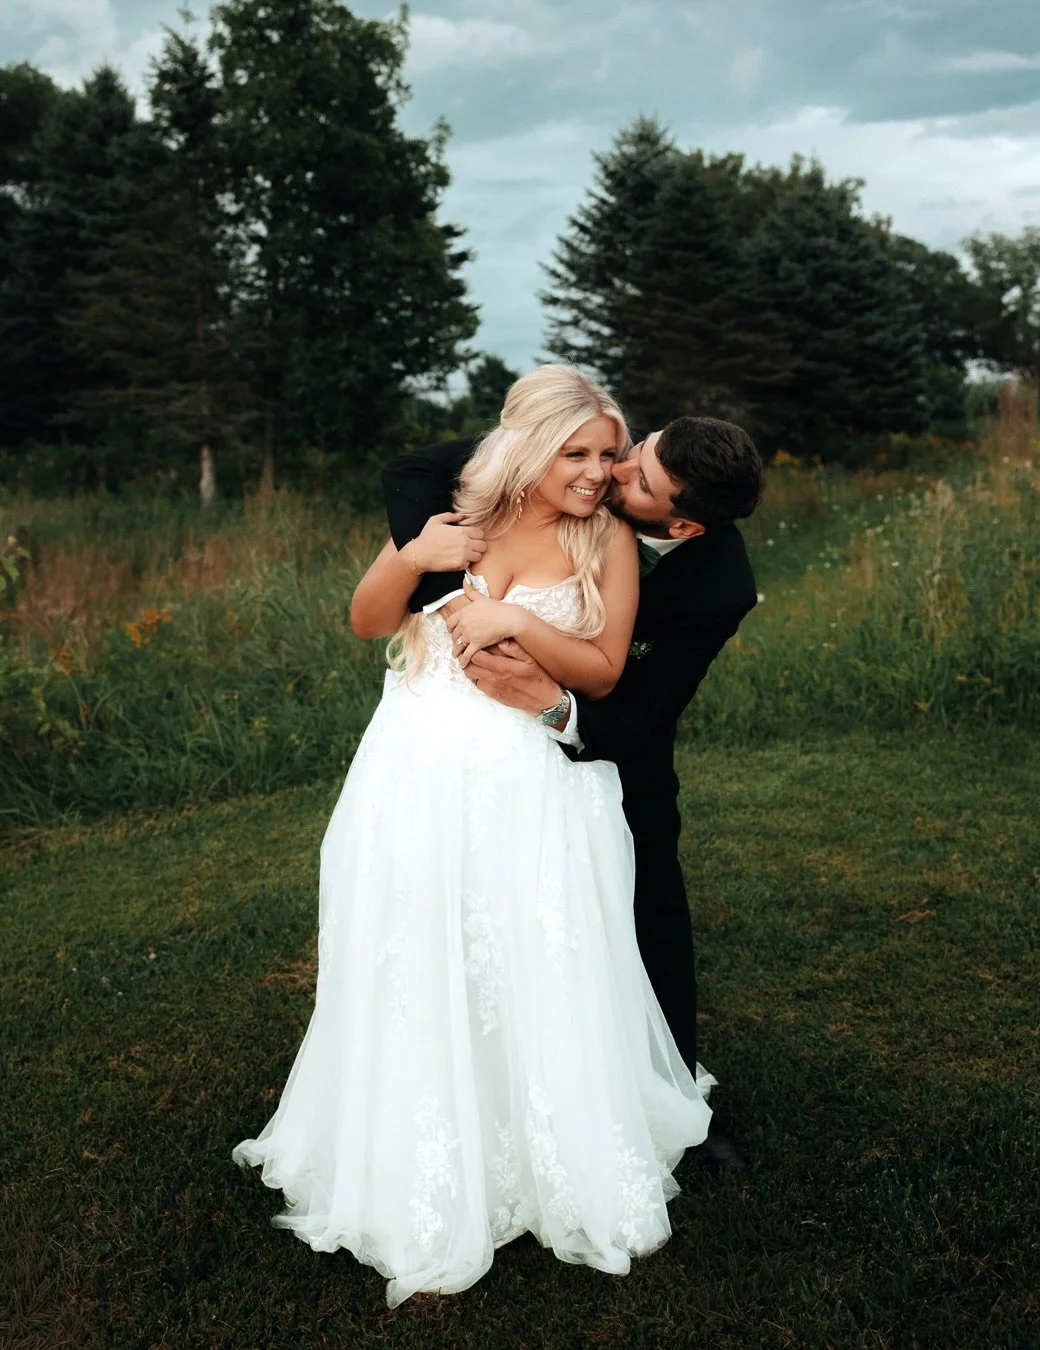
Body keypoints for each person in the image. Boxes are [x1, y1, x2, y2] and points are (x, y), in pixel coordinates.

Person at [233, 366, 714, 1308]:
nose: (596, 471)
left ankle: (547, 1148)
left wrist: (511, 627)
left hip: (527, 786)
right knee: (419, 950)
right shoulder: (456, 517)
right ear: (529, 446)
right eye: (576, 453)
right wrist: (414, 558)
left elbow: (608, 671)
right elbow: (369, 618)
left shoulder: (606, 538)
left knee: (530, 955)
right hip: (413, 770)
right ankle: (418, 1142)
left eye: (609, 454)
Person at [382, 406, 764, 1169]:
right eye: (638, 449)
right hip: (479, 736)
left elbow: (648, 713)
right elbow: (412, 471)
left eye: (640, 478)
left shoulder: (717, 584)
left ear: (681, 525)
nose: (613, 470)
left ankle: (671, 1097)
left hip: (610, 741)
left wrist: (554, 707)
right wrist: (447, 587)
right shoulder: (591, 450)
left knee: (649, 899)